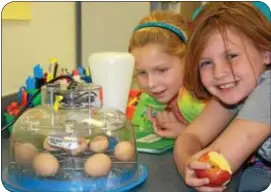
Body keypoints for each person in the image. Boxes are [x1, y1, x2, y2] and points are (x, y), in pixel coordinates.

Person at [173, 2, 271, 192]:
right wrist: (188, 163)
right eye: (206, 62)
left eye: (232, 56)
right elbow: (190, 136)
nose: (219, 73)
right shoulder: (237, 90)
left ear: (266, 53)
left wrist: (197, 167)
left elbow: (217, 163)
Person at [128, 10, 207, 138]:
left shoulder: (203, 100)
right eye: (142, 72)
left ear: (187, 60)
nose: (151, 83)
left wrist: (186, 133)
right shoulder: (149, 99)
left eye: (161, 70)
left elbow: (232, 140)